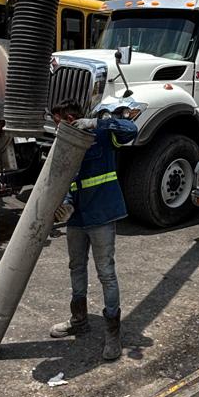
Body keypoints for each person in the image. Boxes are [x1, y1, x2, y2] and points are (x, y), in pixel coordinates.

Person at [49, 98, 140, 361]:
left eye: (59, 123)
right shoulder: (65, 146)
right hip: (77, 218)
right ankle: (79, 320)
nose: (57, 129)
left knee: (106, 274)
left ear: (71, 119)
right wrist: (64, 203)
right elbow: (66, 181)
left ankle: (113, 334)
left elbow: (130, 130)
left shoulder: (101, 135)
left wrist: (97, 122)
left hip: (101, 214)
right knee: (76, 267)